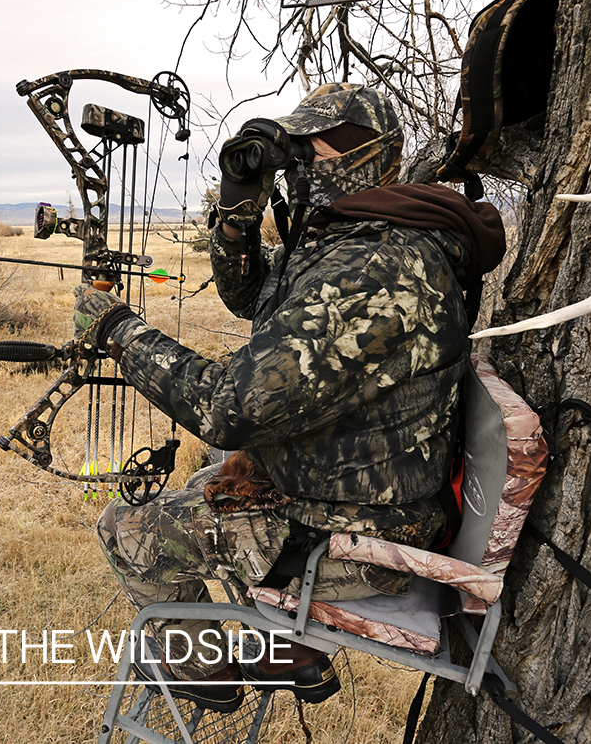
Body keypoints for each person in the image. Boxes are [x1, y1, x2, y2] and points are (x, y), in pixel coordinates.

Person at [73, 83, 506, 712]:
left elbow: (228, 408)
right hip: (352, 494)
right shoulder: (361, 237)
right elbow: (251, 295)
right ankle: (292, 650)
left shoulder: (376, 269)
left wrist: (117, 330)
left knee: (126, 527)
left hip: (355, 535)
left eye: (311, 150)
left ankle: (201, 671)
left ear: (365, 156)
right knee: (208, 478)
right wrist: (238, 213)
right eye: (291, 150)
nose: (297, 166)